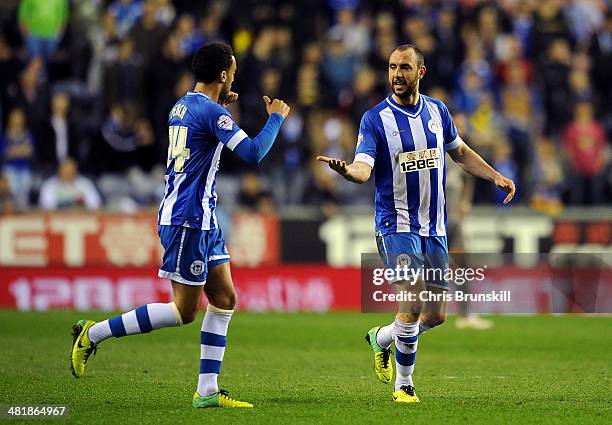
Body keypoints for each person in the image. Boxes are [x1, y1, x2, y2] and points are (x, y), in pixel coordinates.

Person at [69, 42, 290, 409]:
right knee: (183, 311)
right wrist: (277, 118)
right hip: (187, 219)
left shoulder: (184, 104)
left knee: (224, 299)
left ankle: (207, 390)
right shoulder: (210, 112)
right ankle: (93, 333)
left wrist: (220, 107)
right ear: (223, 75)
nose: (235, 75)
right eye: (232, 71)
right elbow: (253, 153)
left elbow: (205, 134)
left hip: (203, 218)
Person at [317, 44, 515, 403]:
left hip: (434, 228)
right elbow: (363, 168)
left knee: (436, 314)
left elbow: (461, 152)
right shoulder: (375, 119)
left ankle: (381, 338)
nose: (396, 74)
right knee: (411, 302)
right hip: (396, 225)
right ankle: (404, 385)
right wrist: (347, 171)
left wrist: (494, 176)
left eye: (404, 67)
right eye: (392, 66)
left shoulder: (438, 112)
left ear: (420, 72)